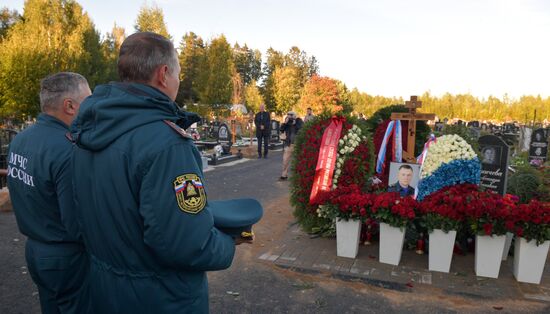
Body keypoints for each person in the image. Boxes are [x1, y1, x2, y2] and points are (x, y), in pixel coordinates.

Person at [70, 32, 261, 313]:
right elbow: (186, 243)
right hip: (161, 297)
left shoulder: (90, 130)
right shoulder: (167, 144)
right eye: (179, 73)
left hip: (106, 287)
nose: (179, 81)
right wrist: (230, 243)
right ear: (163, 74)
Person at [7, 72, 92, 314]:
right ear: (70, 106)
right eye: (88, 100)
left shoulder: (21, 140)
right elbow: (76, 223)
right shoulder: (67, 149)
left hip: (36, 250)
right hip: (67, 257)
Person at [279, 111, 303, 180]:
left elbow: (301, 128)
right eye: (288, 115)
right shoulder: (287, 122)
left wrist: (295, 123)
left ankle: (298, 175)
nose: (289, 116)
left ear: (295, 115)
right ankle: (284, 175)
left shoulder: (299, 120)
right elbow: (281, 129)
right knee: (285, 160)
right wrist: (285, 123)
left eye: (291, 115)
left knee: (298, 161)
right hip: (288, 144)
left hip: (297, 144)